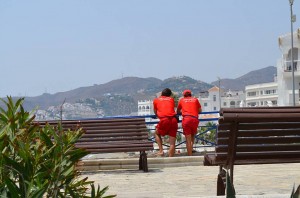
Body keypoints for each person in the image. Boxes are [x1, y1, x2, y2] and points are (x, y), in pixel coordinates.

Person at [153, 88, 178, 157]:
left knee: (156, 133)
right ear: (170, 95)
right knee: (172, 143)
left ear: (161, 94)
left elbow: (155, 111)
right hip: (173, 120)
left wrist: (158, 116)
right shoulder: (171, 99)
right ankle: (171, 158)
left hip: (164, 120)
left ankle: (161, 151)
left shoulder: (156, 100)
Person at [177, 89, 202, 156]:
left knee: (188, 139)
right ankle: (191, 149)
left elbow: (178, 111)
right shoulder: (195, 99)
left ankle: (190, 155)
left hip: (186, 119)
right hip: (194, 119)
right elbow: (200, 110)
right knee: (193, 135)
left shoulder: (181, 100)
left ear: (184, 95)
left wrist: (183, 112)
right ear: (191, 94)